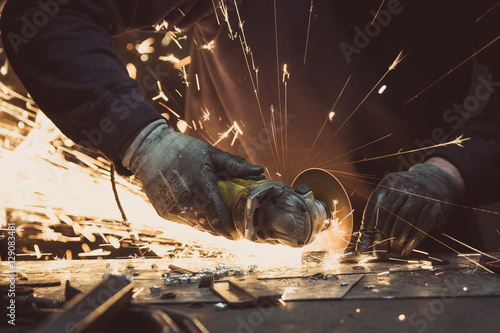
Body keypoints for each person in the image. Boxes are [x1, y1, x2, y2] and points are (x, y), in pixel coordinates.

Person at [1, 0, 499, 256]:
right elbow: (50, 14)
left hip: (418, 244)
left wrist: (454, 170)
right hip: (234, 234)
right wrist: (143, 139)